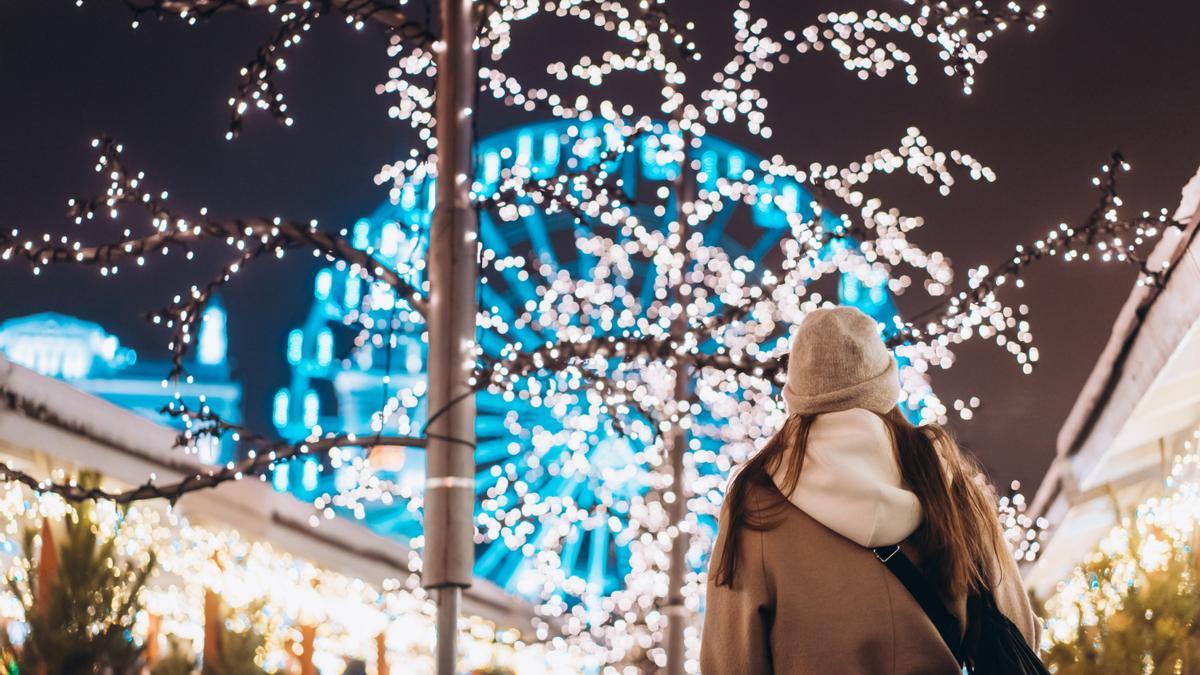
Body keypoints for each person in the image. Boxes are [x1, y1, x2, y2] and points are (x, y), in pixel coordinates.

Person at [700, 306, 1040, 674]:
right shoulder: (945, 479)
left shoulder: (758, 499)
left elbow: (730, 661)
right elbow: (1018, 628)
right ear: (884, 385)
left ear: (797, 394)